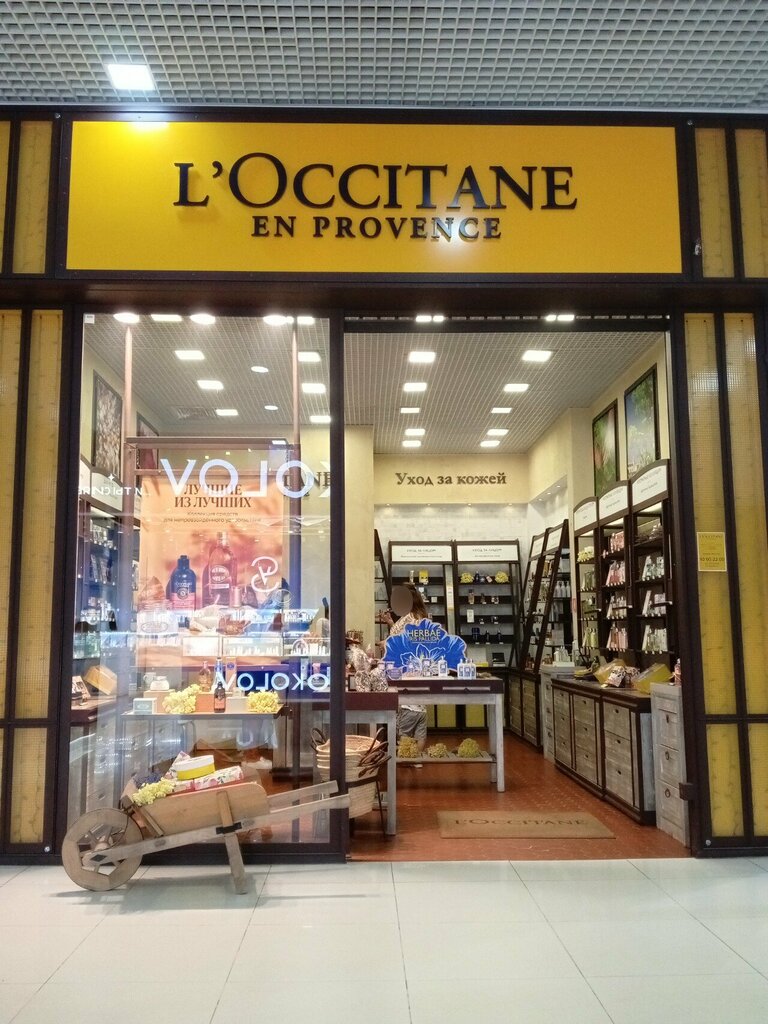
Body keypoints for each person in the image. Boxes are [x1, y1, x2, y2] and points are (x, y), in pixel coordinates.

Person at [383, 583, 429, 756]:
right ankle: (416, 759)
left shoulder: (409, 618)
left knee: (406, 715)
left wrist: (386, 643)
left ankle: (405, 756)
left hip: (406, 672)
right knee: (420, 716)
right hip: (419, 672)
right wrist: (390, 623)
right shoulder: (419, 616)